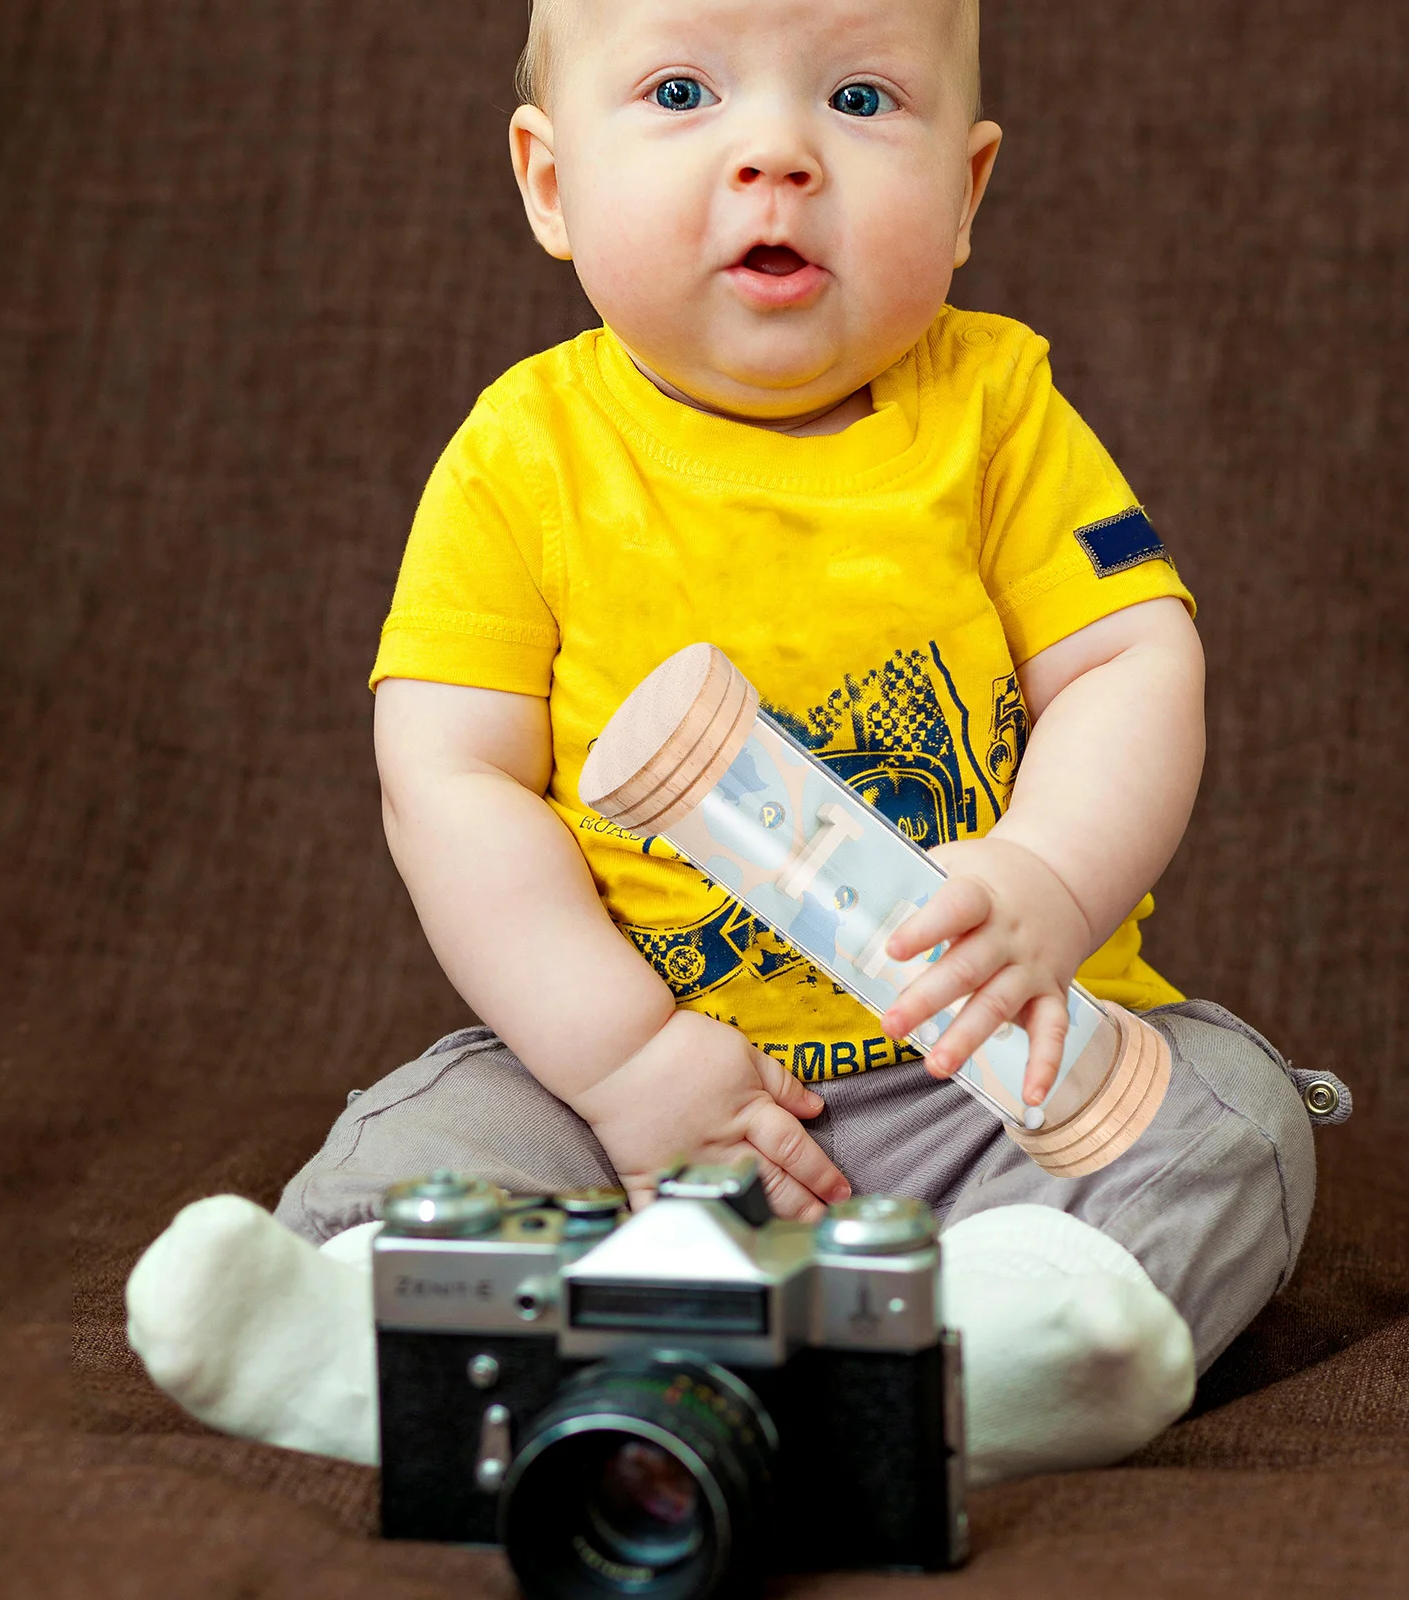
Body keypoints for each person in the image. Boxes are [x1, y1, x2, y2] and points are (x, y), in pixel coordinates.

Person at [127, 0, 1328, 1485]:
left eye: (865, 99)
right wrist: (629, 1063)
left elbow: (1132, 659)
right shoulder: (526, 460)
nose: (778, 153)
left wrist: (1050, 877)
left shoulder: (1003, 415)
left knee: (1234, 1126)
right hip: (631, 1099)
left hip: (985, 1079)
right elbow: (448, 779)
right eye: (685, 90)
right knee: (434, 1136)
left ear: (966, 192)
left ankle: (997, 1349)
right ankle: (372, 1347)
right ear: (551, 183)